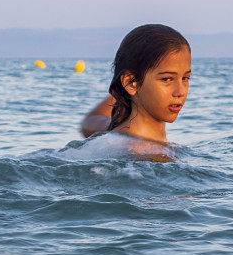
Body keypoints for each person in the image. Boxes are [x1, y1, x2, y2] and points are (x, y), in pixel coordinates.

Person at [80, 24, 191, 158]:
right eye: (167, 79)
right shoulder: (155, 157)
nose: (180, 91)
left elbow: (90, 120)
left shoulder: (110, 130)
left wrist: (124, 91)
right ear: (130, 83)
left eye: (185, 78)